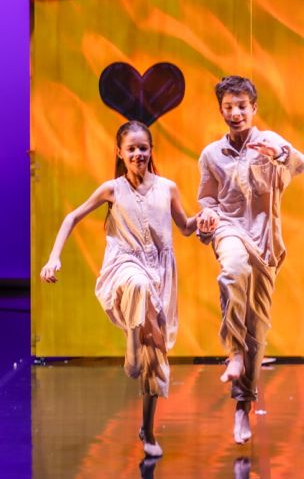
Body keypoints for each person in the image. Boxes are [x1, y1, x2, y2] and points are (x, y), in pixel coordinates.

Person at [40, 120, 198, 458]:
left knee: (155, 357)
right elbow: (72, 217)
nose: (138, 154)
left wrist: (206, 222)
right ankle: (132, 337)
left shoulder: (167, 188)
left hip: (160, 274)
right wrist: (54, 257)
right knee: (138, 285)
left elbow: (186, 226)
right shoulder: (112, 189)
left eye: (143, 148)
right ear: (120, 152)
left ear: (151, 150)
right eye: (131, 149)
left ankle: (148, 429)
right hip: (124, 266)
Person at [197, 76, 304, 444]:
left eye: (241, 106)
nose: (235, 113)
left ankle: (243, 405)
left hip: (266, 243)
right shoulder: (211, 154)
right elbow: (207, 200)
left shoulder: (269, 140)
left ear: (254, 108)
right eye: (228, 107)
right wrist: (207, 215)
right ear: (220, 110)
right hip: (229, 230)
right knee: (232, 269)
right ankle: (233, 352)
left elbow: (301, 164)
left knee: (257, 330)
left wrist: (279, 154)